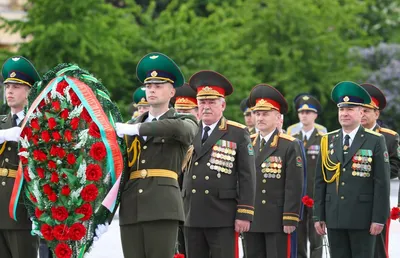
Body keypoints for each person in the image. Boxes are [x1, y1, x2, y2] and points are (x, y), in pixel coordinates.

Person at [115, 52, 198, 258]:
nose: (151, 90)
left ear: (172, 92)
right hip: (132, 206)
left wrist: (139, 129)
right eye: (149, 86)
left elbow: (184, 132)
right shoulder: (130, 126)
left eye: (158, 85)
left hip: (162, 207)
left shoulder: (184, 120)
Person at [182, 70, 256, 258]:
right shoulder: (189, 130)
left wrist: (244, 213)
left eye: (211, 102)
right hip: (192, 213)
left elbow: (247, 176)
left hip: (223, 214)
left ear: (222, 105)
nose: (206, 107)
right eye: (202, 102)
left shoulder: (237, 133)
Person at [314, 81, 390, 258]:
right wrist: (319, 215)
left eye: (350, 109)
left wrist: (379, 218)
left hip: (363, 218)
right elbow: (320, 182)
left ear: (361, 112)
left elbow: (382, 183)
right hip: (335, 216)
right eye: (342, 109)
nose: (345, 114)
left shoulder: (375, 140)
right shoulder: (328, 140)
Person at [243, 84, 304, 258]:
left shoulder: (288, 144)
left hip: (276, 218)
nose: (260, 118)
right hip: (251, 217)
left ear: (278, 117)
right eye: (257, 113)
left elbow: (294, 184)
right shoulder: (248, 141)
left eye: (265, 114)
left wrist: (290, 217)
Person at [0, 56, 40, 258]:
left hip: (22, 211)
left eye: (16, 86)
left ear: (29, 92)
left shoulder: (39, 124)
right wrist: (5, 134)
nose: (9, 91)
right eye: (7, 86)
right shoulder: (1, 123)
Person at [360, 83, 400, 258]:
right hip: (350, 203)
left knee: (377, 250)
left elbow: (395, 168)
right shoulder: (345, 136)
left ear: (376, 113)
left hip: (377, 202)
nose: (361, 114)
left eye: (366, 110)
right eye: (359, 110)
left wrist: (369, 173)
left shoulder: (389, 137)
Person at [292, 94, 324, 258]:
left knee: (316, 238)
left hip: (315, 196)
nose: (304, 115)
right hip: (297, 197)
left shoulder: (323, 139)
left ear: (315, 115)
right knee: (298, 239)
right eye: (301, 112)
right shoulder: (292, 139)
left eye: (308, 112)